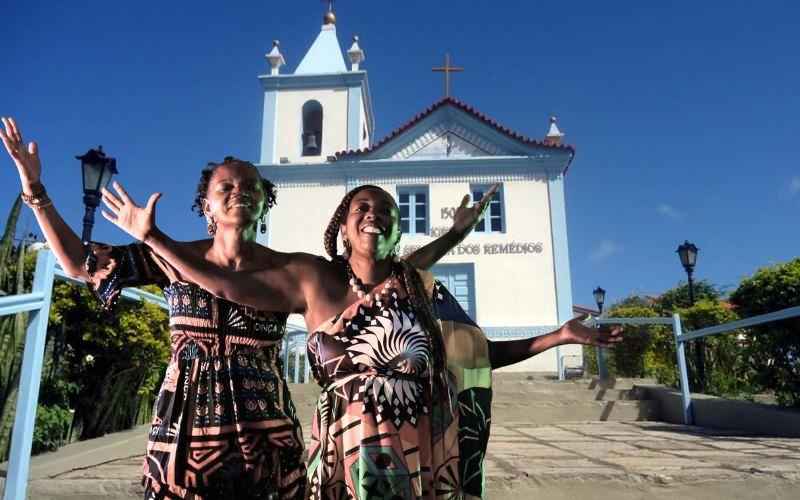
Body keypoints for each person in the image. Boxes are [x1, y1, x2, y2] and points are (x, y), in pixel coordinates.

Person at [0, 117, 493, 500]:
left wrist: (451, 237)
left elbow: (380, 274)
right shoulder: (172, 257)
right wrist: (36, 191)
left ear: (264, 202)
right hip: (184, 430)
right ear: (207, 206)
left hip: (266, 434)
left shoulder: (292, 269)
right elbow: (83, 264)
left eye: (250, 187)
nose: (239, 192)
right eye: (226, 188)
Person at [98, 178, 623, 498]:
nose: (375, 217)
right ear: (342, 229)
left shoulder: (414, 290)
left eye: (388, 213)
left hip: (418, 451)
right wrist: (153, 238)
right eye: (362, 210)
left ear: (398, 233)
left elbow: (475, 356)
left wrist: (557, 335)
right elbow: (231, 283)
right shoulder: (314, 279)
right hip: (346, 451)